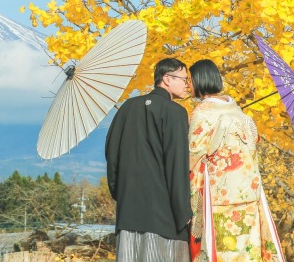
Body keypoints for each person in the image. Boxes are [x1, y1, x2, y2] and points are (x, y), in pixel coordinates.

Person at [188, 59, 284, 261]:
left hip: (220, 194)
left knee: (224, 248)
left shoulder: (202, 112)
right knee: (248, 248)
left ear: (199, 80)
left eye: (190, 80)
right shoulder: (236, 109)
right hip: (248, 189)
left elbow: (193, 153)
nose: (188, 84)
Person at [105, 57, 194, 261]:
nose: (187, 85)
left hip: (128, 213)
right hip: (163, 217)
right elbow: (176, 165)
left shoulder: (128, 107)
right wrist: (183, 212)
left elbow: (112, 154)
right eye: (184, 78)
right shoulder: (175, 112)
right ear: (167, 78)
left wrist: (120, 192)